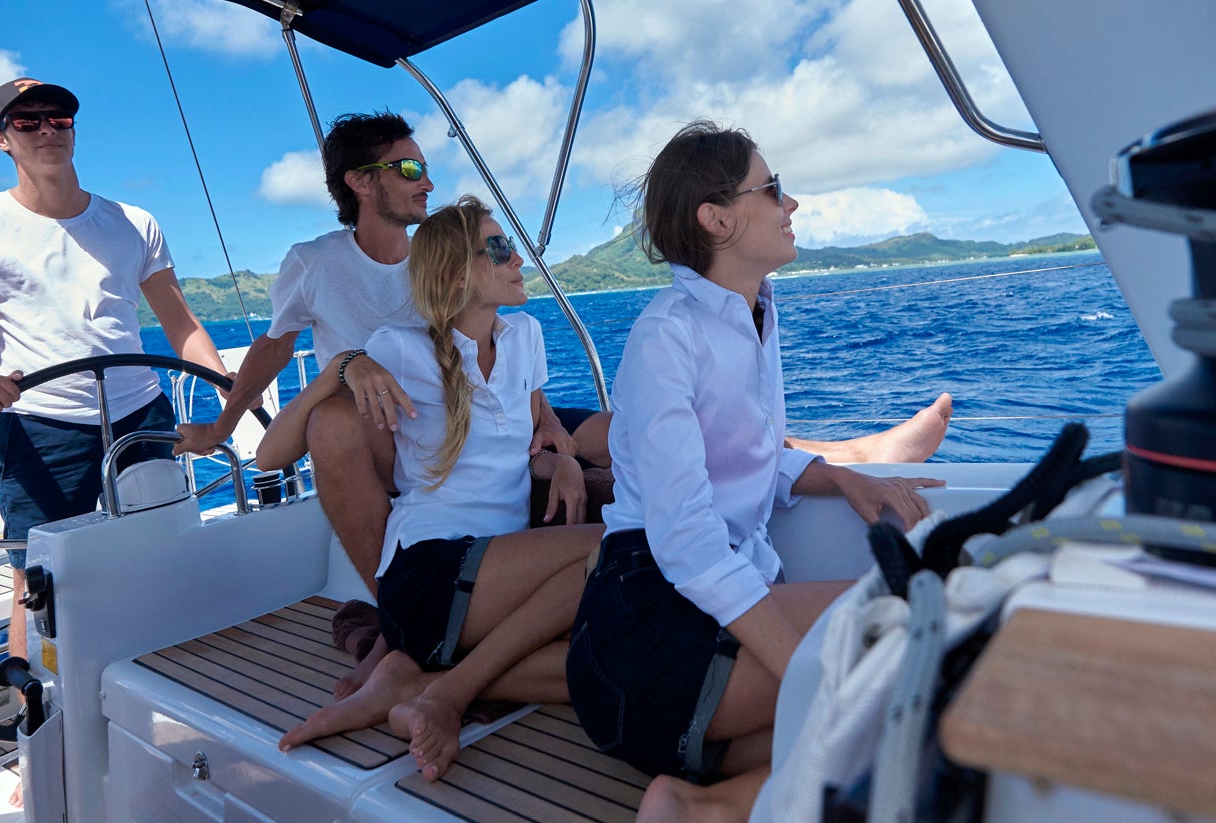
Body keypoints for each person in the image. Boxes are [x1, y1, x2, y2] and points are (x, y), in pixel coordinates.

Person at [176, 110, 951, 695]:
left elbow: (539, 420)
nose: (424, 179)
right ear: (363, 183)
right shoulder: (362, 310)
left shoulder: (517, 336)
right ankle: (425, 657)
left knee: (627, 465)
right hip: (424, 518)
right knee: (625, 556)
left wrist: (554, 453)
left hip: (493, 497)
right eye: (408, 168)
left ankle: (834, 459)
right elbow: (280, 405)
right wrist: (326, 374)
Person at [564, 122, 941, 822]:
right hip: (641, 625)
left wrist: (839, 476)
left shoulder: (756, 311)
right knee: (905, 626)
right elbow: (685, 540)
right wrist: (807, 671)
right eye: (772, 188)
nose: (791, 203)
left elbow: (745, 456)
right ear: (717, 218)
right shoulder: (666, 335)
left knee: (886, 732)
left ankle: (692, 807)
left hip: (693, 613)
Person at [0, 77, 228, 807]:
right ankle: (38, 740)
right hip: (42, 427)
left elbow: (181, 326)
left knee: (159, 558)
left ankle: (161, 714)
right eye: (25, 120)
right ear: (2, 139)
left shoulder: (133, 222)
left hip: (142, 416)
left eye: (58, 116)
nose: (46, 128)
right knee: (40, 589)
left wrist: (228, 399)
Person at [263, 196, 598, 783]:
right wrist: (342, 367)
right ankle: (447, 691)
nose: (518, 258)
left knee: (606, 662)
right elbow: (270, 456)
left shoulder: (525, 336)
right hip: (430, 572)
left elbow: (512, 456)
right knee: (614, 548)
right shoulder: (400, 348)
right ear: (454, 272)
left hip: (500, 573)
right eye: (499, 248)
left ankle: (414, 680)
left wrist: (563, 461)